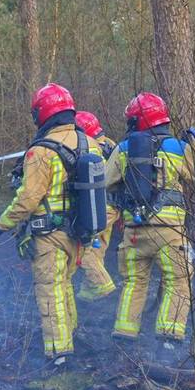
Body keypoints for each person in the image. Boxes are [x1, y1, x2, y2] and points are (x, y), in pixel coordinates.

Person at [0, 83, 107, 364]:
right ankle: (71, 337)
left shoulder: (41, 151)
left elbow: (29, 197)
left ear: (42, 114)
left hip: (49, 234)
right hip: (80, 231)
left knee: (49, 289)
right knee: (65, 285)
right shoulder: (90, 143)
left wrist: (2, 224)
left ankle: (58, 354)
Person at [104, 92, 195, 343]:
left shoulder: (123, 149)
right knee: (178, 281)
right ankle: (169, 337)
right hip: (170, 233)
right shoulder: (179, 147)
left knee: (134, 282)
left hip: (134, 232)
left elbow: (106, 181)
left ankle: (124, 333)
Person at [73, 111, 119, 301]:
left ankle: (103, 284)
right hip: (114, 207)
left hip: (98, 206)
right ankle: (86, 296)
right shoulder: (111, 145)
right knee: (98, 249)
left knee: (83, 249)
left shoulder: (90, 149)